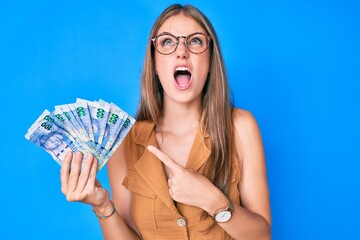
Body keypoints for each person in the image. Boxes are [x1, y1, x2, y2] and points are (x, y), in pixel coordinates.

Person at [60, 4, 271, 240]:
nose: (182, 51)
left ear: (210, 61)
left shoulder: (240, 126)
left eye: (195, 41)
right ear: (155, 64)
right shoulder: (125, 141)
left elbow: (261, 236)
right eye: (168, 42)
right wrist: (102, 206)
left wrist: (212, 200)